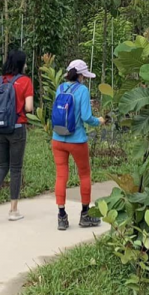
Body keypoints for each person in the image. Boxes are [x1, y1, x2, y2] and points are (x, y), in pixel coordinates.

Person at [0, 50, 34, 222]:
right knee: (16, 169)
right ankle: (13, 210)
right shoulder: (25, 81)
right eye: (25, 63)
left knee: (2, 165)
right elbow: (28, 108)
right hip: (17, 128)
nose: (26, 65)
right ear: (20, 64)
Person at [52, 59, 104, 231]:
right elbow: (86, 117)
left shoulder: (59, 88)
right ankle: (85, 215)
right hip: (77, 140)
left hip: (58, 138)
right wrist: (100, 121)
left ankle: (61, 217)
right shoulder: (82, 90)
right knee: (84, 175)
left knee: (61, 176)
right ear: (81, 75)